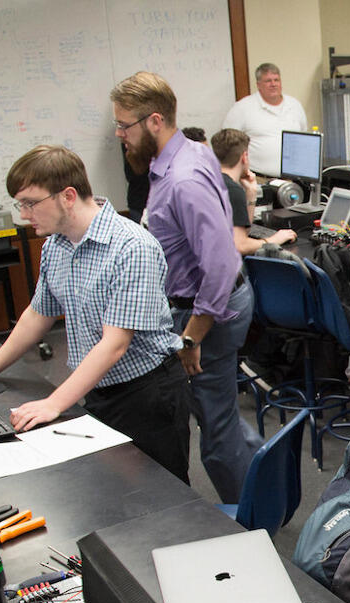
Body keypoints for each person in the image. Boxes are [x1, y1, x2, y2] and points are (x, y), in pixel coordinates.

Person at [0, 145, 190, 483]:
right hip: (98, 386)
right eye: (20, 204)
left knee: (163, 496)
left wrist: (54, 403)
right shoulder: (56, 245)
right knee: (112, 490)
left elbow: (114, 344)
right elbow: (37, 314)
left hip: (147, 393)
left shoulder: (132, 247)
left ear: (68, 196)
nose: (24, 214)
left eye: (30, 203)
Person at [111, 71, 263, 503]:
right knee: (220, 415)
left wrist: (191, 337)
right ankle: (265, 480)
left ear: (154, 120)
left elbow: (216, 266)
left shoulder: (183, 179)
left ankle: (251, 523)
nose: (121, 135)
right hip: (204, 306)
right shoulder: (190, 153)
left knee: (215, 432)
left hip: (204, 313)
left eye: (125, 125)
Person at [209, 128, 296, 256]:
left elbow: (243, 233)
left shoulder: (212, 181)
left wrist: (251, 193)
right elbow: (240, 246)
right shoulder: (232, 191)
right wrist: (274, 240)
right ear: (244, 157)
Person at [221, 62, 308, 177]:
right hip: (259, 180)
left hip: (294, 179)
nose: (273, 84)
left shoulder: (295, 105)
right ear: (258, 85)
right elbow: (226, 143)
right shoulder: (242, 108)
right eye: (268, 81)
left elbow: (304, 139)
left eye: (276, 80)